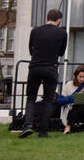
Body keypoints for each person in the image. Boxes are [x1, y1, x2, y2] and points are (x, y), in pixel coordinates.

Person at [21, 8, 67, 140]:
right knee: (48, 99)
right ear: (59, 20)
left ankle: (28, 125)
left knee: (31, 97)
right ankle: (43, 130)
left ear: (47, 18)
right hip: (51, 68)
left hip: (35, 67)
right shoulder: (62, 33)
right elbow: (61, 53)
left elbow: (31, 50)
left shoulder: (35, 31)